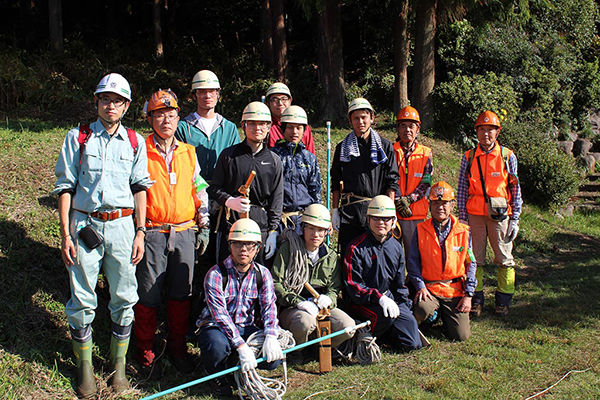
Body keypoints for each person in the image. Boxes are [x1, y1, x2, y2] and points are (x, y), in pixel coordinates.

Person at [53, 73, 152, 397]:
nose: (111, 106)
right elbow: (65, 187)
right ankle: (85, 371)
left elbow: (140, 188)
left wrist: (140, 231)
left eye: (118, 101)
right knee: (82, 299)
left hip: (124, 227)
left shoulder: (135, 142)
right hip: (84, 226)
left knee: (125, 297)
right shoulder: (78, 138)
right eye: (105, 99)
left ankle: (118, 369)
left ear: (126, 106)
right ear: (97, 102)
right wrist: (66, 234)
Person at [133, 89, 210, 377]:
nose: (166, 120)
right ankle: (145, 350)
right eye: (159, 115)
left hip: (185, 231)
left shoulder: (188, 152)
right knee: (148, 294)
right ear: (150, 118)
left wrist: (204, 220)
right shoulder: (140, 149)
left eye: (171, 114)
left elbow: (198, 187)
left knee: (182, 293)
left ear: (179, 118)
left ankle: (178, 347)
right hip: (152, 231)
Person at [197, 218, 283, 396]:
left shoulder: (263, 274)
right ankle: (216, 374)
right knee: (216, 346)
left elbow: (269, 307)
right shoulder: (215, 274)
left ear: (257, 248)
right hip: (217, 328)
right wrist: (242, 347)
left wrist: (271, 336)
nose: (243, 249)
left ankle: (236, 365)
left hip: (246, 327)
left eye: (249, 245)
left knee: (273, 359)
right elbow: (220, 316)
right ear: (230, 246)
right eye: (238, 244)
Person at [457, 111, 522, 317]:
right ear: (476, 132)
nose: (486, 134)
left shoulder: (507, 156)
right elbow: (462, 188)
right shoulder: (468, 156)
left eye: (490, 130)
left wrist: (516, 218)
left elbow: (515, 188)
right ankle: (476, 300)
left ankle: (503, 301)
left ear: (497, 131)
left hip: (500, 215)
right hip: (474, 215)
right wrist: (462, 217)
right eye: (482, 129)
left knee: (505, 259)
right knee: (474, 259)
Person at [271, 204, 355, 363]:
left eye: (320, 230)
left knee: (347, 326)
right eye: (311, 228)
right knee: (305, 322)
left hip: (321, 306)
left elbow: (334, 287)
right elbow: (276, 283)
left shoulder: (330, 257)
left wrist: (329, 298)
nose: (315, 234)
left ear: (326, 232)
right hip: (293, 307)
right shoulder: (289, 249)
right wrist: (298, 302)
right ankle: (297, 350)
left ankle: (320, 348)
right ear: (303, 228)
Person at [342, 195, 422, 352]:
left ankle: (385, 334)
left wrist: (405, 308)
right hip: (362, 303)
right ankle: (363, 334)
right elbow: (353, 286)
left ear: (393, 221)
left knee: (412, 343)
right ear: (368, 219)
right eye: (376, 219)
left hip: (388, 299)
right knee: (384, 317)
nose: (381, 223)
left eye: (385, 219)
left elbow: (399, 285)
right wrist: (378, 297)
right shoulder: (355, 248)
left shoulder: (396, 247)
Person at [208, 102, 283, 265]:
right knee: (227, 272)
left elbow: (276, 199)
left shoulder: (274, 161)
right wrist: (229, 201)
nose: (258, 128)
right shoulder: (229, 156)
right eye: (252, 123)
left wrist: (273, 231)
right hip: (231, 222)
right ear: (243, 126)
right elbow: (214, 188)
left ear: (269, 126)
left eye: (262, 123)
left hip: (260, 225)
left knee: (258, 274)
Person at [407, 182, 477, 341]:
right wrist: (420, 286)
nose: (440, 207)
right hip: (430, 289)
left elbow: (471, 264)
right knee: (421, 310)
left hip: (454, 290)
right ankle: (433, 316)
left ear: (452, 205)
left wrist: (469, 295)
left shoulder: (464, 232)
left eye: (444, 203)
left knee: (461, 336)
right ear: (430, 205)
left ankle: (446, 318)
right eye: (436, 203)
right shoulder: (420, 229)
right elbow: (412, 263)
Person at [331, 98, 399, 254]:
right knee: (350, 254)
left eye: (364, 117)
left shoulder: (385, 146)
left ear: (372, 118)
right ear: (350, 120)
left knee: (376, 255)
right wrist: (335, 210)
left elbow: (392, 181)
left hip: (378, 213)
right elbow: (336, 180)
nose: (360, 121)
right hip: (350, 212)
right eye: (356, 118)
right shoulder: (343, 148)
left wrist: (391, 212)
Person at [175, 69, 240, 183]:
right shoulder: (182, 128)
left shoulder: (229, 128)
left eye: (212, 91)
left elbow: (236, 163)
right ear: (194, 95)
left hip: (222, 192)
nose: (207, 96)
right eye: (202, 92)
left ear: (217, 94)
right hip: (191, 190)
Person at [270, 105, 321, 232]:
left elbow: (315, 192)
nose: (294, 132)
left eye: (299, 128)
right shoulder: (272, 156)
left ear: (304, 130)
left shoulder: (310, 159)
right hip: (279, 220)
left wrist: (319, 216)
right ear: (283, 129)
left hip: (304, 221)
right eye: (290, 127)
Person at [393, 106, 433, 255]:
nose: (407, 130)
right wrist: (398, 201)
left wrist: (409, 200)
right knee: (393, 255)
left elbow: (426, 182)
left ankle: (413, 280)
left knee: (415, 257)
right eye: (403, 125)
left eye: (411, 126)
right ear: (398, 128)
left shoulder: (425, 153)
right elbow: (388, 179)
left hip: (416, 215)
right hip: (393, 214)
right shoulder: (390, 150)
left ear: (418, 129)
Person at [265, 82, 315, 154]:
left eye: (284, 99)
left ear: (290, 100)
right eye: (274, 100)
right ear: (268, 103)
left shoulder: (303, 126)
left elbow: (311, 156)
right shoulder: (265, 127)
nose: (280, 103)